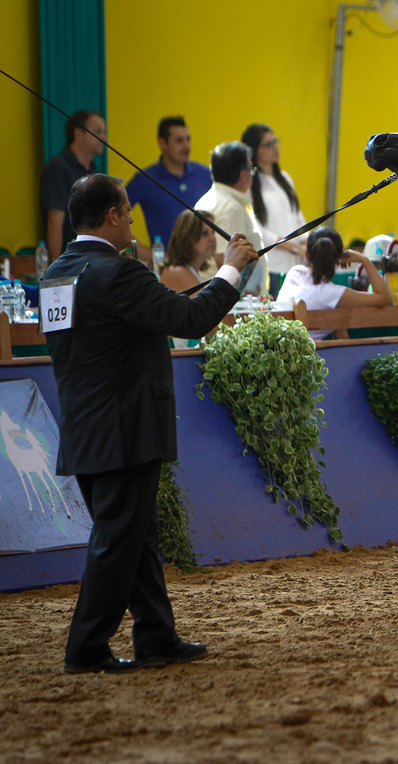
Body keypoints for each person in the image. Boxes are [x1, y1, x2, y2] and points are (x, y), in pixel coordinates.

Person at [43, 173, 258, 674]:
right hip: (126, 427)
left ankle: (156, 636)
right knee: (118, 540)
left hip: (84, 427)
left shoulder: (57, 273)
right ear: (114, 215)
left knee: (135, 536)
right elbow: (190, 319)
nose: (133, 219)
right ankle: (86, 647)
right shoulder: (119, 272)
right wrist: (230, 271)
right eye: (128, 211)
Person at [276, 227, 392, 339]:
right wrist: (364, 260)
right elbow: (385, 298)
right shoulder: (332, 293)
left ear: (307, 255)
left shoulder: (295, 272)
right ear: (339, 258)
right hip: (307, 355)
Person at [125, 116, 213, 263]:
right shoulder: (145, 179)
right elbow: (116, 217)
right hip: (167, 266)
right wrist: (147, 253)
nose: (186, 146)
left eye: (188, 139)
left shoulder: (204, 174)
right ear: (162, 143)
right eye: (179, 141)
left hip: (205, 264)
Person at [195, 141, 268, 295]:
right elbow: (224, 260)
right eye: (251, 169)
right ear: (243, 174)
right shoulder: (230, 208)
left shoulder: (213, 199)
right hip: (231, 303)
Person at [241, 124, 307, 274]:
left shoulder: (285, 178)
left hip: (295, 263)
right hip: (272, 264)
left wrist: (308, 243)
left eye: (276, 141)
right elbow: (255, 226)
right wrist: (292, 247)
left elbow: (297, 216)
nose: (275, 147)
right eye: (268, 144)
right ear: (254, 150)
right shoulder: (249, 184)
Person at [40, 111, 106, 260]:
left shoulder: (94, 172)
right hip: (69, 261)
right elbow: (54, 222)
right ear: (79, 134)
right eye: (98, 132)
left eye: (104, 132)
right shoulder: (58, 168)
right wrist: (56, 269)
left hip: (93, 261)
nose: (103, 137)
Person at [160, 210, 217, 294]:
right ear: (187, 237)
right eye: (204, 233)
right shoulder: (177, 272)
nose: (212, 238)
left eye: (213, 232)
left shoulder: (187, 269)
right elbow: (206, 306)